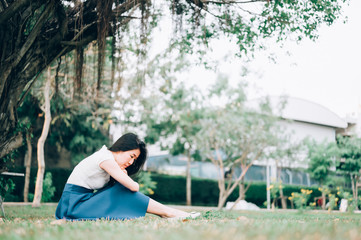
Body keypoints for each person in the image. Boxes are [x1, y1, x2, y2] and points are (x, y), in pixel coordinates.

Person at [55, 132, 199, 221]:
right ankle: (169, 213)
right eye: (131, 156)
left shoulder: (106, 158)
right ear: (121, 148)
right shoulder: (105, 158)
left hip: (79, 202)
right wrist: (124, 177)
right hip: (74, 206)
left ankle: (168, 213)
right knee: (124, 189)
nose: (131, 162)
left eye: (134, 160)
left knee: (120, 188)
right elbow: (133, 187)